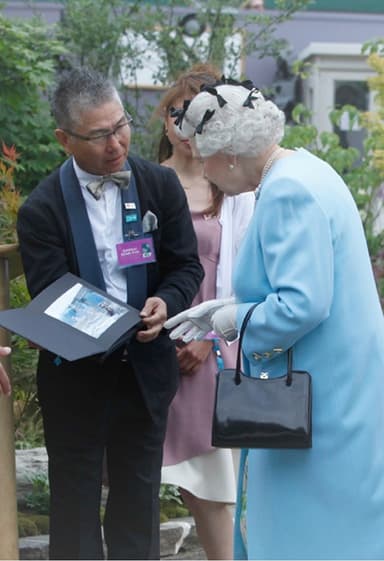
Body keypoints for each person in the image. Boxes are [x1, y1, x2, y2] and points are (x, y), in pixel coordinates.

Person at [164, 78, 384, 559]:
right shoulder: (307, 168)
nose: (205, 171)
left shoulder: (288, 192)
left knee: (308, 532)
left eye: (206, 159)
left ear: (231, 157)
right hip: (341, 385)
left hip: (323, 399)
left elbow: (302, 304)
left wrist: (231, 318)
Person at [16, 66, 203, 560]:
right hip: (77, 376)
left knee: (137, 507)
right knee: (74, 509)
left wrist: (169, 303)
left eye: (120, 125)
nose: (117, 144)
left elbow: (186, 266)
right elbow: (55, 294)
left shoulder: (159, 185)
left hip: (144, 373)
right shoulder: (42, 209)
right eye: (99, 135)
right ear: (64, 139)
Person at [156, 64, 254, 560]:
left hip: (209, 349)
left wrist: (208, 338)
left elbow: (243, 276)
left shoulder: (234, 191)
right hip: (154, 344)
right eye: (178, 113)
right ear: (165, 120)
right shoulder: (145, 183)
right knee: (152, 478)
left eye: (198, 116)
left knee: (215, 488)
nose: (185, 126)